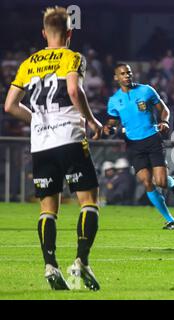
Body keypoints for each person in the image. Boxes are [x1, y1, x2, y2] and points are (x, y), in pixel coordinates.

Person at [4, 7, 102, 290]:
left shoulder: (28, 63)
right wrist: (92, 120)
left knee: (48, 209)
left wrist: (36, 120)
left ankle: (50, 266)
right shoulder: (72, 57)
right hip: (69, 137)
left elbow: (10, 105)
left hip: (41, 144)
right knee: (88, 201)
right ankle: (81, 261)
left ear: (44, 32)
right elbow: (73, 91)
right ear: (69, 33)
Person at [103, 63, 174, 230]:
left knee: (161, 182)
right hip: (133, 144)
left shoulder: (146, 90)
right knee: (147, 182)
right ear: (116, 78)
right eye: (123, 73)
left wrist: (164, 121)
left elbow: (164, 109)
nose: (127, 76)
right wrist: (108, 127)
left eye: (129, 73)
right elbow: (112, 121)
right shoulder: (114, 100)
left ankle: (172, 182)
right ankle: (170, 220)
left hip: (152, 139)